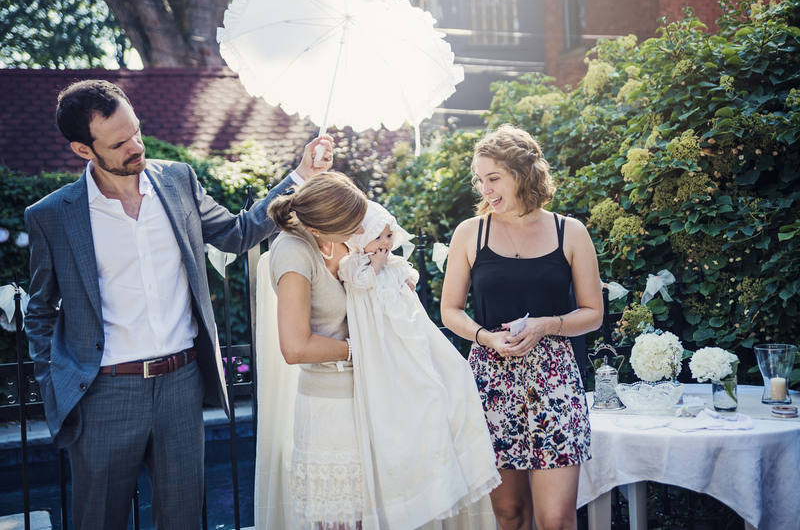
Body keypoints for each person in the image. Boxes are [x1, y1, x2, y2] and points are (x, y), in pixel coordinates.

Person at [23, 79, 333, 530]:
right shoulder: (51, 215)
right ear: (82, 150)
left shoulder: (177, 180)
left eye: (136, 131)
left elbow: (238, 233)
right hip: (104, 396)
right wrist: (58, 387)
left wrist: (301, 175)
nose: (136, 146)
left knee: (184, 520)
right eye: (119, 142)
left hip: (181, 386)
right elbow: (39, 310)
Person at [440, 125, 603, 530]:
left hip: (554, 381)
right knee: (509, 514)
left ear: (523, 173)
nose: (485, 190)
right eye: (480, 181)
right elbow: (450, 311)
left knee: (556, 519)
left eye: (493, 178)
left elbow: (593, 313)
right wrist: (486, 337)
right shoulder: (469, 233)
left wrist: (547, 325)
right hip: (490, 381)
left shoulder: (571, 231)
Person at [338, 201, 500, 529]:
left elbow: (408, 279)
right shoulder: (353, 264)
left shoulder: (393, 262)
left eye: (388, 235)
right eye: (377, 236)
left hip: (410, 336)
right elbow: (360, 282)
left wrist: (398, 273)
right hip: (384, 345)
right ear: (360, 238)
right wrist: (377, 265)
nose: (384, 242)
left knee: (452, 375)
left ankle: (451, 462)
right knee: (410, 397)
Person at [265, 172, 369, 529]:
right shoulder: (294, 252)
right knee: (339, 520)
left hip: (366, 399)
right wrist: (362, 351)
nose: (359, 233)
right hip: (329, 409)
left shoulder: (334, 239)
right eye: (351, 227)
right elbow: (295, 347)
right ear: (322, 229)